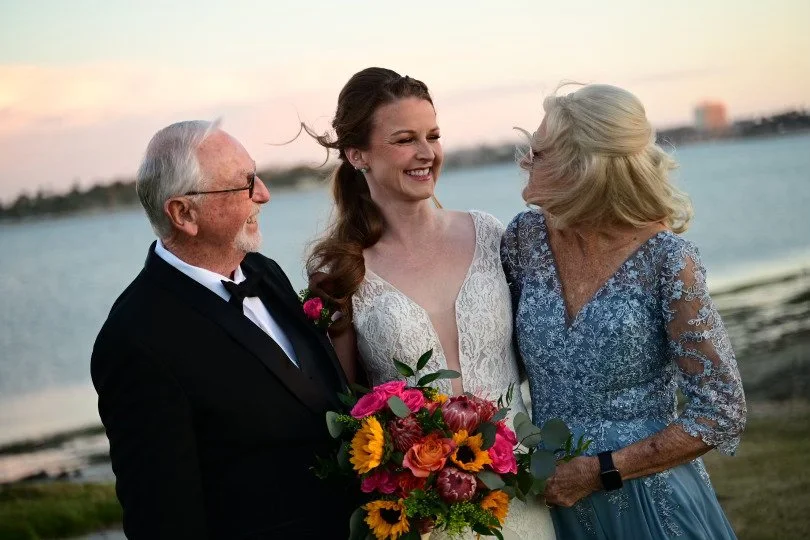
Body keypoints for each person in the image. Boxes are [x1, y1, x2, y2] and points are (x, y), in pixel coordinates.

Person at [306, 67, 554, 540]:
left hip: (523, 500)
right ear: (357, 154)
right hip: (422, 519)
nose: (426, 153)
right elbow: (345, 412)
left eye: (433, 136)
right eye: (404, 140)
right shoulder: (341, 273)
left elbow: (544, 347)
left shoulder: (490, 235)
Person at [501, 84, 747, 539]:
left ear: (584, 167)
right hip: (547, 503)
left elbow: (721, 409)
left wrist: (600, 471)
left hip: (649, 502)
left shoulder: (668, 261)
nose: (523, 161)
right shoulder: (524, 239)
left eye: (538, 152)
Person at [91, 120, 354, 539]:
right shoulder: (135, 339)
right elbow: (162, 520)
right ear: (183, 213)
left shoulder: (263, 272)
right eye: (245, 185)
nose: (264, 194)